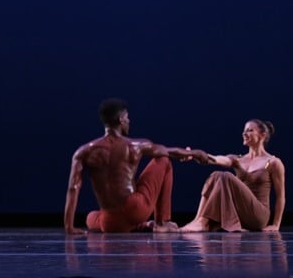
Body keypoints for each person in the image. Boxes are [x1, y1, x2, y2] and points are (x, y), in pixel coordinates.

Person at [63, 97, 210, 234]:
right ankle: (160, 223)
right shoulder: (135, 146)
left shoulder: (83, 152)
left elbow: (73, 188)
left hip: (110, 222)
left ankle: (142, 225)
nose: (129, 121)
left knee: (91, 218)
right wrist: (197, 153)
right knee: (163, 160)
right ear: (121, 120)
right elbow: (169, 152)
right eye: (127, 117)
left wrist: (69, 227)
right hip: (136, 209)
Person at [179, 118, 285, 232]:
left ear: (262, 135)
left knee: (226, 176)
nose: (244, 133)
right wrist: (194, 155)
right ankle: (199, 220)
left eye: (250, 130)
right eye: (244, 130)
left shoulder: (273, 162)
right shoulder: (238, 159)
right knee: (216, 175)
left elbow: (280, 197)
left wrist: (276, 225)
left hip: (258, 216)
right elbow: (216, 159)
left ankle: (203, 222)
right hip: (240, 214)